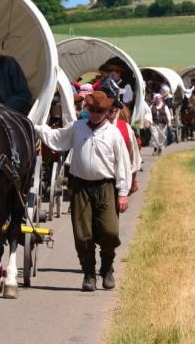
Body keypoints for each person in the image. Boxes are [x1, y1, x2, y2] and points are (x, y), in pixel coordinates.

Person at [33, 92, 132, 292]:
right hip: (81, 187)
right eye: (92, 110)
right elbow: (56, 138)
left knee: (110, 231)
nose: (95, 114)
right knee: (82, 234)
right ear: (87, 109)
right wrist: (34, 126)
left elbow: (122, 164)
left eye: (99, 111)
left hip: (105, 187)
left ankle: (107, 267)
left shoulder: (113, 134)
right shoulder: (77, 127)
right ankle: (89, 274)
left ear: (107, 111)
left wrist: (123, 193)